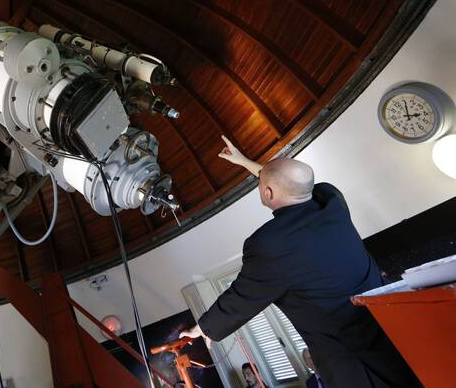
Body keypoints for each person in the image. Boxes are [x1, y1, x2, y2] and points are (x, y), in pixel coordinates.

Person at [179, 136, 419, 387]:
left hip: (355, 360)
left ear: (267, 193)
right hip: (395, 327)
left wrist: (204, 328)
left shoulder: (269, 243)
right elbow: (293, 184)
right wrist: (244, 162)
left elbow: (244, 295)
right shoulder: (331, 200)